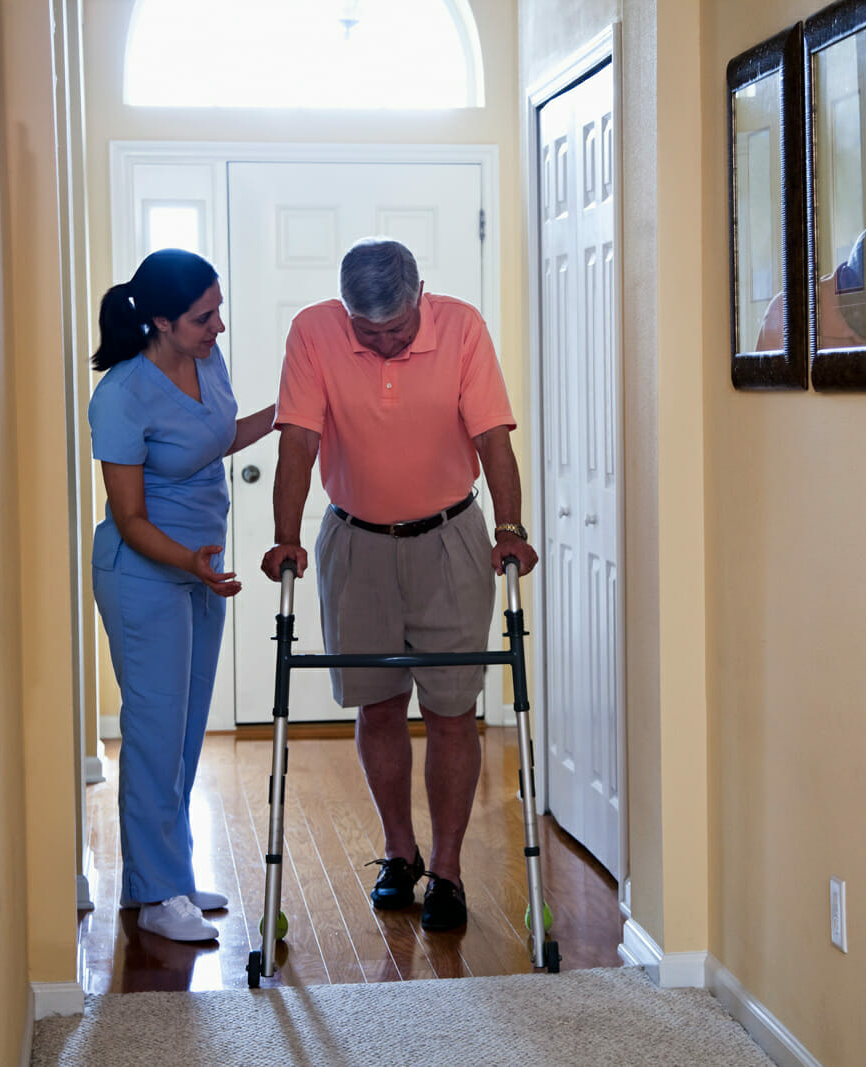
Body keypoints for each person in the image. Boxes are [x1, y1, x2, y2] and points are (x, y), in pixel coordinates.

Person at [260, 238, 538, 932]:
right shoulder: (314, 331)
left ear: (421, 295)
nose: (383, 344)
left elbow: (493, 439)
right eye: (368, 331)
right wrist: (286, 535)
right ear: (346, 311)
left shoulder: (462, 327)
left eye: (397, 329)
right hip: (355, 540)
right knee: (377, 704)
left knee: (451, 709)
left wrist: (510, 524)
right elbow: (297, 439)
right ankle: (399, 851)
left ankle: (447, 867)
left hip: (450, 538)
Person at [89, 249, 277, 942]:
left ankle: (164, 878)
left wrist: (289, 413)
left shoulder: (207, 362)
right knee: (153, 733)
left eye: (218, 309)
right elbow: (131, 519)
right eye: (204, 316)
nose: (218, 326)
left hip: (202, 568)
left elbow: (215, 436)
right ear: (162, 320)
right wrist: (191, 564)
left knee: (186, 731)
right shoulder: (121, 394)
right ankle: (159, 890)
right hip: (145, 573)